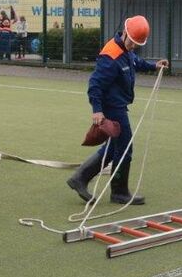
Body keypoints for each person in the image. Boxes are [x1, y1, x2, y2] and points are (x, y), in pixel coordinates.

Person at [66, 16, 168, 205]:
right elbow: (95, 84)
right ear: (125, 33)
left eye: (137, 44)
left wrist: (154, 66)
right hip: (113, 108)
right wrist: (97, 110)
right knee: (125, 148)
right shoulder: (111, 56)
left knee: (113, 148)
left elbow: (135, 62)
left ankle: (79, 178)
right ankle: (119, 192)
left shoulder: (126, 49)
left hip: (119, 105)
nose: (134, 46)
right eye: (133, 42)